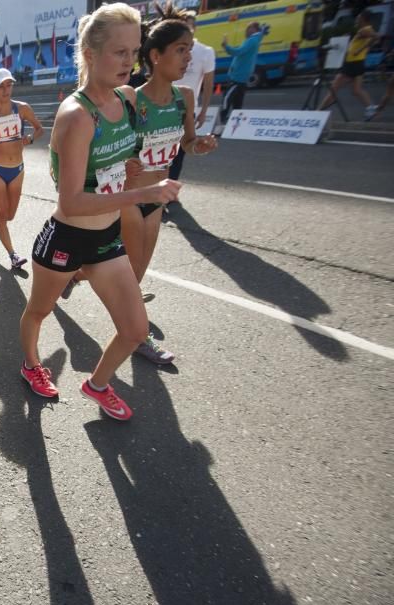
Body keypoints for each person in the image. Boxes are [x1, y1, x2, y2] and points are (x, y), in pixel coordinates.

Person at [19, 2, 181, 419]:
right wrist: (140, 194)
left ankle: (97, 384)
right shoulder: (76, 116)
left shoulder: (126, 100)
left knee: (135, 330)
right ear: (90, 54)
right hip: (68, 237)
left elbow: (117, 163)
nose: (129, 62)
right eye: (118, 52)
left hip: (106, 238)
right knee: (39, 311)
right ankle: (31, 364)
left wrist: (131, 171)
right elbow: (70, 201)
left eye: (134, 51)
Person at [123, 3, 218, 365]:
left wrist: (200, 145)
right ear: (155, 55)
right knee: (131, 273)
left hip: (158, 197)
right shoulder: (132, 98)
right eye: (181, 51)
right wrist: (126, 162)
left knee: (134, 270)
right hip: (130, 197)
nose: (188, 59)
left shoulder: (185, 98)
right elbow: (113, 146)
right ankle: (138, 335)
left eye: (190, 51)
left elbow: (187, 144)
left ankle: (74, 276)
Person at [0, 68, 45, 271]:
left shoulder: (22, 109)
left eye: (9, 85)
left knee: (9, 215)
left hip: (17, 170)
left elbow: (39, 129)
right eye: (1, 87)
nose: (6, 90)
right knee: (4, 216)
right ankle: (13, 256)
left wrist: (30, 138)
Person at [169, 10, 215, 180]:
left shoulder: (206, 52)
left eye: (189, 26)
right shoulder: (169, 49)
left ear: (194, 28)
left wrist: (204, 111)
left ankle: (170, 190)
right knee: (160, 154)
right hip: (164, 106)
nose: (186, 57)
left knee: (180, 152)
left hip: (187, 108)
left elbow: (208, 83)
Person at [318, 12, 380, 119]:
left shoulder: (364, 30)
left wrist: (360, 49)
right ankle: (371, 109)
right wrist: (362, 48)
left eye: (358, 19)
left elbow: (376, 37)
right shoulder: (367, 30)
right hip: (358, 63)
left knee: (333, 89)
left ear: (364, 19)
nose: (356, 21)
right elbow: (374, 39)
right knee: (357, 90)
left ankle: (317, 113)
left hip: (352, 64)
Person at [219, 21, 266, 131]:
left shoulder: (252, 40)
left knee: (227, 98)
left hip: (237, 76)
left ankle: (222, 120)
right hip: (243, 75)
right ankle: (236, 125)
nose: (246, 31)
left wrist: (226, 46)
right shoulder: (256, 39)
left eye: (248, 28)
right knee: (238, 101)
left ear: (253, 29)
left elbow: (238, 52)